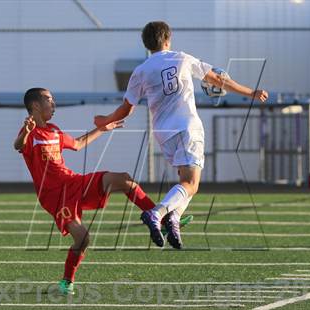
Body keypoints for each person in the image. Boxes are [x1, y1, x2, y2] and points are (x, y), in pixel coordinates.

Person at [94, 21, 268, 249]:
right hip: (187, 126)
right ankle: (157, 214)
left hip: (163, 133)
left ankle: (173, 219)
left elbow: (126, 109)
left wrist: (104, 121)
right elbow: (217, 79)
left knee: (185, 181)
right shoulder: (182, 58)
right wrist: (250, 92)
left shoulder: (140, 71)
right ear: (168, 40)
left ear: (147, 44)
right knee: (191, 183)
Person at [14, 87, 162, 295]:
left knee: (123, 179)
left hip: (73, 182)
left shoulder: (54, 130)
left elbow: (78, 144)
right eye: (49, 100)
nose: (53, 103)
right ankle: (67, 281)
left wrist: (103, 128)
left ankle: (159, 218)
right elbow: (18, 146)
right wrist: (26, 132)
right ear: (36, 105)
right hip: (55, 197)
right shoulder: (30, 133)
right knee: (83, 239)